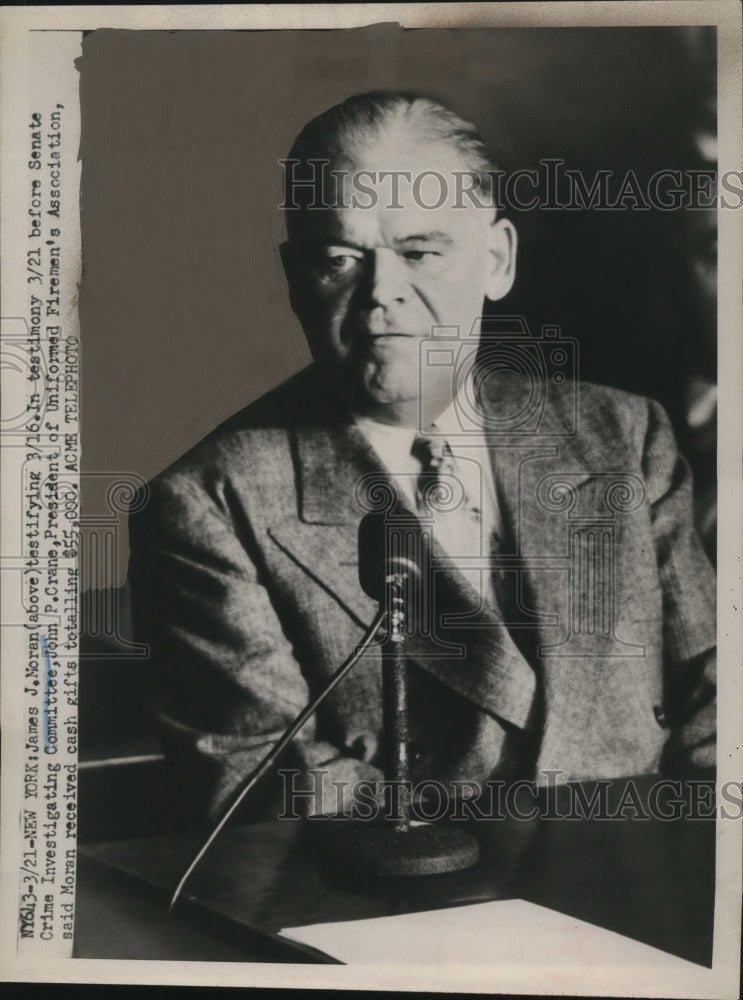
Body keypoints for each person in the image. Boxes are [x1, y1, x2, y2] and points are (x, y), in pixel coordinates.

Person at [127, 91, 716, 824]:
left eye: (420, 253)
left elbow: (718, 697)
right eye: (340, 260)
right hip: (401, 888)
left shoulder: (622, 435)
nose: (381, 294)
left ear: (496, 261)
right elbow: (259, 775)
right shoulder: (210, 503)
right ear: (296, 280)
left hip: (649, 871)